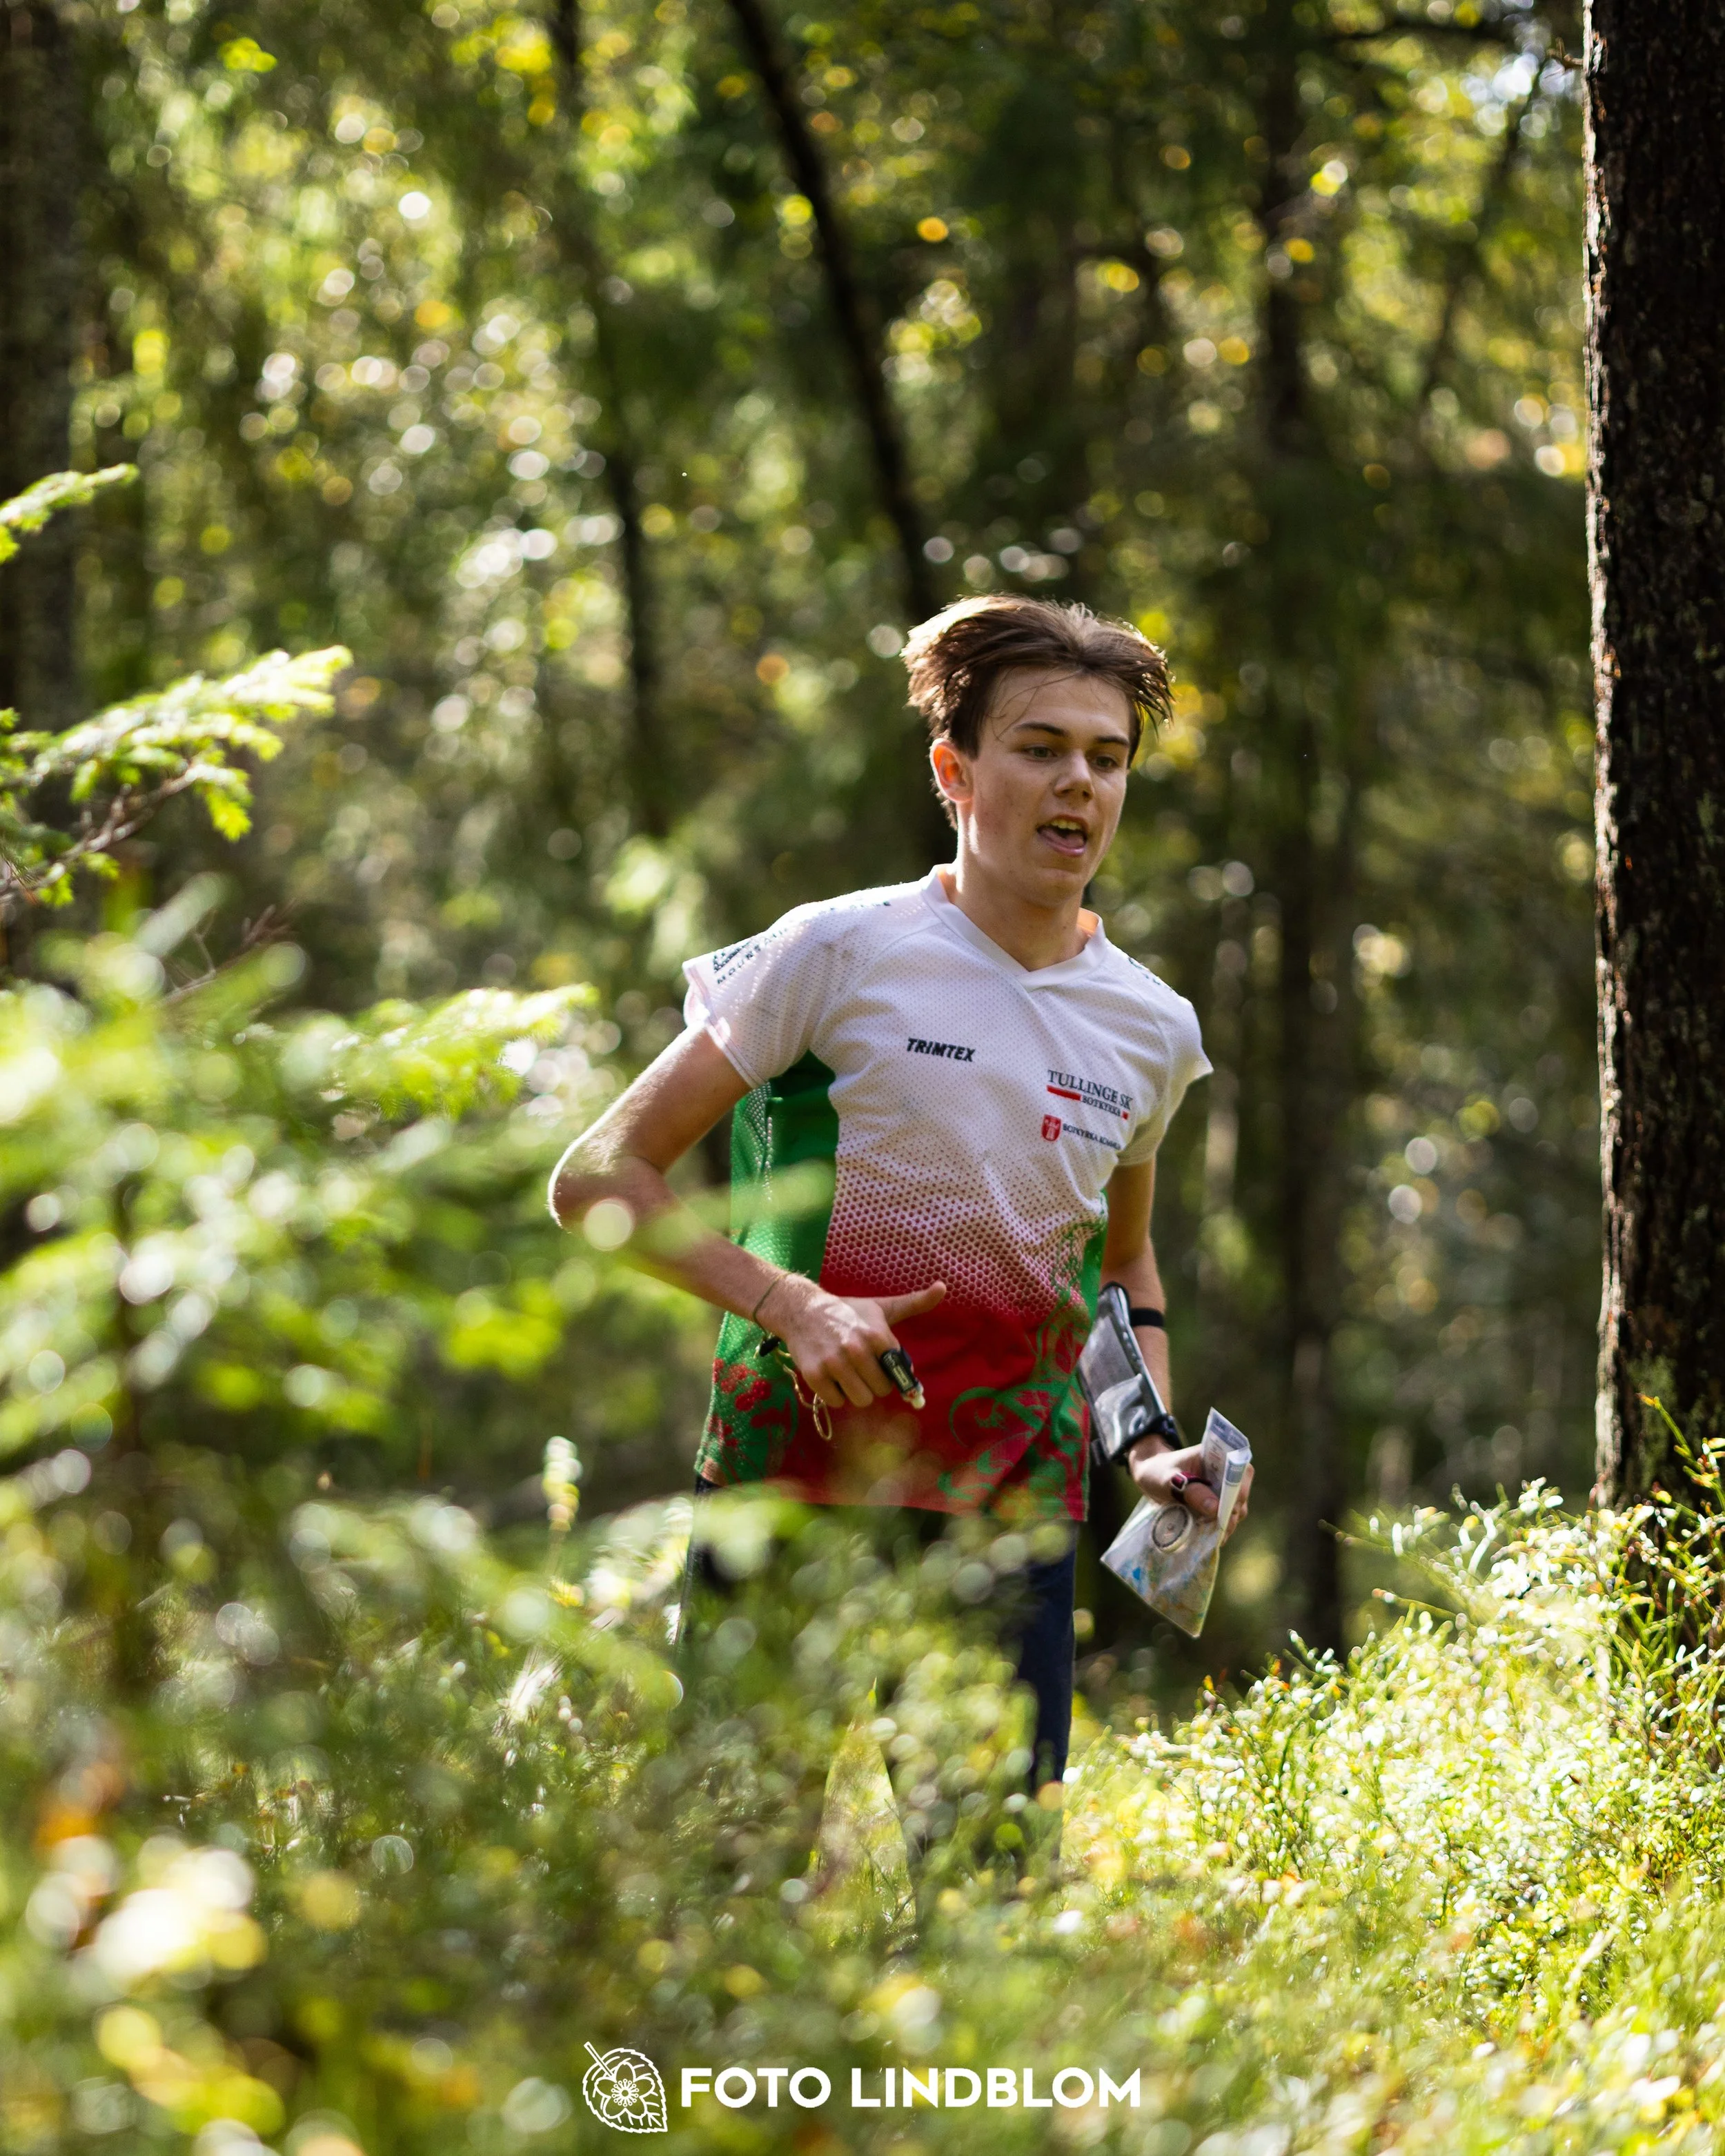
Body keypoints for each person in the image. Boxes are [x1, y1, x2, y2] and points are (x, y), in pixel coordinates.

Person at [548, 593, 1251, 1814]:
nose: (1078, 784)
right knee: (736, 1877)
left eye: (1107, 757)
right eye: (1039, 749)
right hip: (793, 1496)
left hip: (1010, 1525)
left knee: (987, 1899)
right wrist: (791, 1305)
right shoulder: (832, 952)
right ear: (956, 771)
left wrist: (1144, 1447)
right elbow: (599, 1177)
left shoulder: (1153, 1028)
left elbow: (1116, 1273)